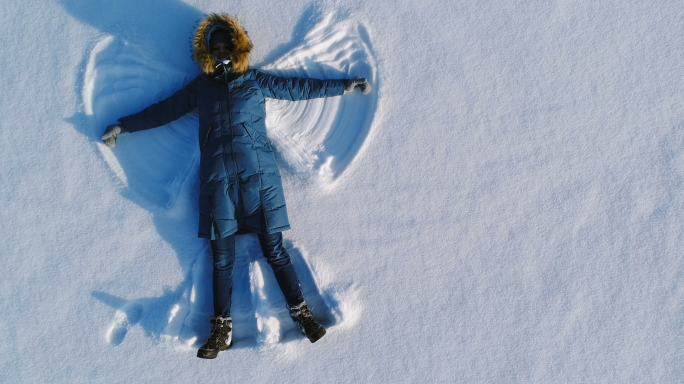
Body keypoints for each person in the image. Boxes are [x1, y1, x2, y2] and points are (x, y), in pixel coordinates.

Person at [101, 13, 371, 359]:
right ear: (207, 53)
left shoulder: (255, 81)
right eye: (215, 47)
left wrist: (343, 85)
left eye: (227, 44)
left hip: (260, 181)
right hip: (218, 183)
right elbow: (163, 111)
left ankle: (302, 315)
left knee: (275, 251)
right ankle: (221, 330)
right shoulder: (201, 90)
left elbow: (301, 88)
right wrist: (124, 126)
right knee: (222, 259)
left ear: (239, 46)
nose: (222, 51)